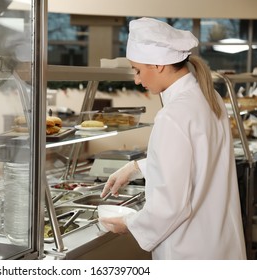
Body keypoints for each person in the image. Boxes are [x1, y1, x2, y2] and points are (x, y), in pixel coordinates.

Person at [100, 17, 246, 260]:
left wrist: (128, 223)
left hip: (189, 251)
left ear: (158, 65)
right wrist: (136, 167)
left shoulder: (173, 115)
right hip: (220, 242)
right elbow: (199, 158)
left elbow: (170, 208)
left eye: (137, 69)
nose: (137, 79)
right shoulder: (209, 98)